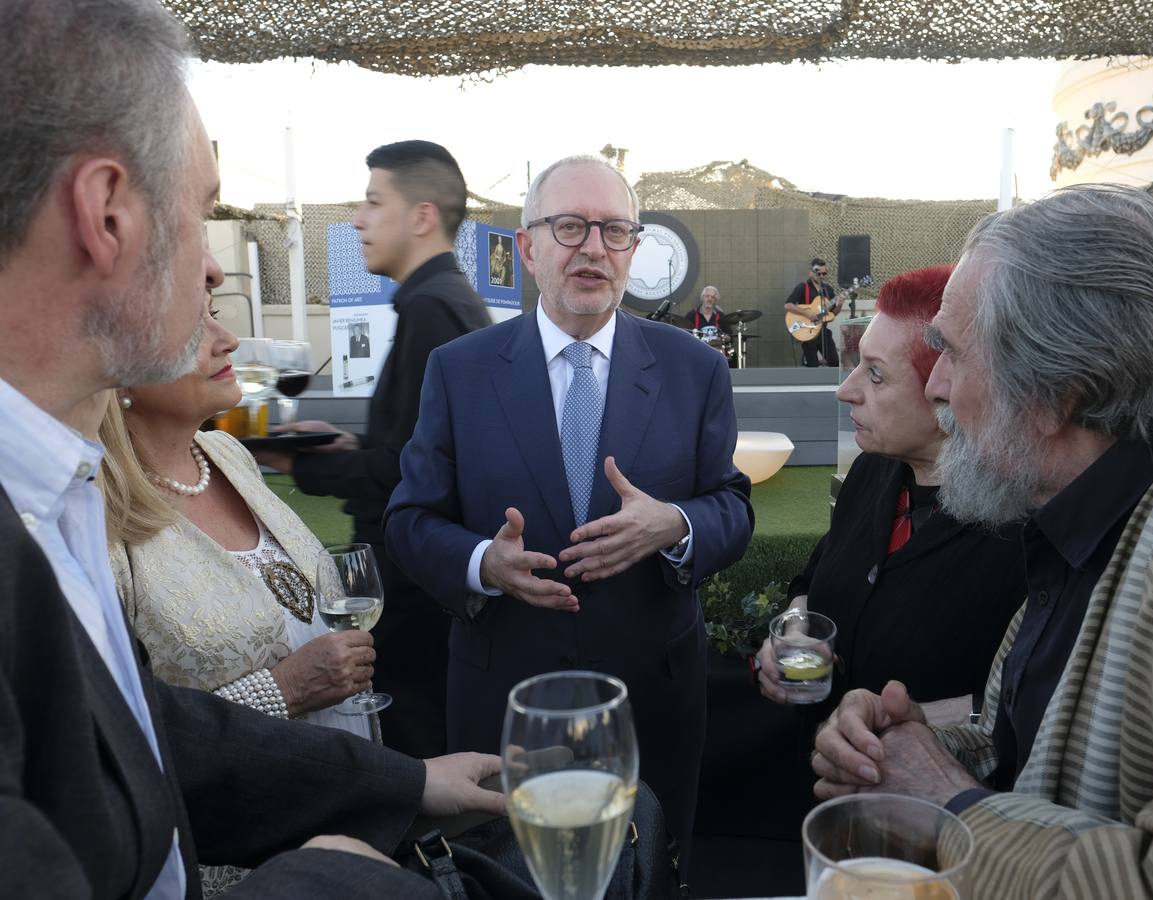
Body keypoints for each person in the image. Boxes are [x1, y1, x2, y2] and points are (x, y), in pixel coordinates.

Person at [0, 2, 505, 896]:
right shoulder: (60, 494)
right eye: (203, 213)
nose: (215, 272)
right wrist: (326, 879)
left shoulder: (60, 482)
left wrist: (406, 784)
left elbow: (138, 735)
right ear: (104, 213)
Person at [811, 184, 1153, 898]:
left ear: (1061, 390)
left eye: (952, 355)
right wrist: (927, 751)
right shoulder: (1093, 517)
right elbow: (1060, 766)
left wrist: (951, 806)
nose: (935, 384)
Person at [385, 154, 754, 864]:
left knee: (644, 872)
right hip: (507, 700)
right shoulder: (459, 371)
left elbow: (731, 508)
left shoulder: (694, 370)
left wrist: (673, 525)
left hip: (651, 698)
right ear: (527, 247)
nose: (593, 246)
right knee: (509, 877)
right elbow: (409, 520)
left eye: (615, 231)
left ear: (634, 251)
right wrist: (482, 562)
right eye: (570, 226)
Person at [95, 305, 378, 894]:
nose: (227, 341)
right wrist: (284, 690)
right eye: (193, 327)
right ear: (119, 369)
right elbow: (119, 738)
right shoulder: (97, 510)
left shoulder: (228, 455)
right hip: (239, 861)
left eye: (216, 316)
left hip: (340, 814)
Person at [254, 140, 492, 759]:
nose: (358, 219)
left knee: (420, 759)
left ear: (421, 217)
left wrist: (291, 459)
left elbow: (405, 477)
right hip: (432, 588)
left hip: (413, 597)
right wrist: (347, 444)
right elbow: (422, 449)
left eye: (372, 201)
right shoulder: (444, 303)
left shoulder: (432, 312)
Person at [755, 266, 1025, 720]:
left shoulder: (1022, 531)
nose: (845, 391)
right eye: (857, 364)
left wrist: (912, 724)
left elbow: (1032, 701)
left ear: (948, 386)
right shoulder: (873, 470)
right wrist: (795, 630)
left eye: (875, 375)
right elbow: (811, 580)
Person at [785, 258, 840, 367]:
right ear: (811, 272)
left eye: (824, 273)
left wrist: (840, 304)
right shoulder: (803, 287)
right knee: (812, 366)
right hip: (808, 331)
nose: (821, 276)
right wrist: (807, 314)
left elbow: (833, 313)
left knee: (834, 362)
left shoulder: (828, 290)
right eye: (818, 273)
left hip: (823, 331)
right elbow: (788, 305)